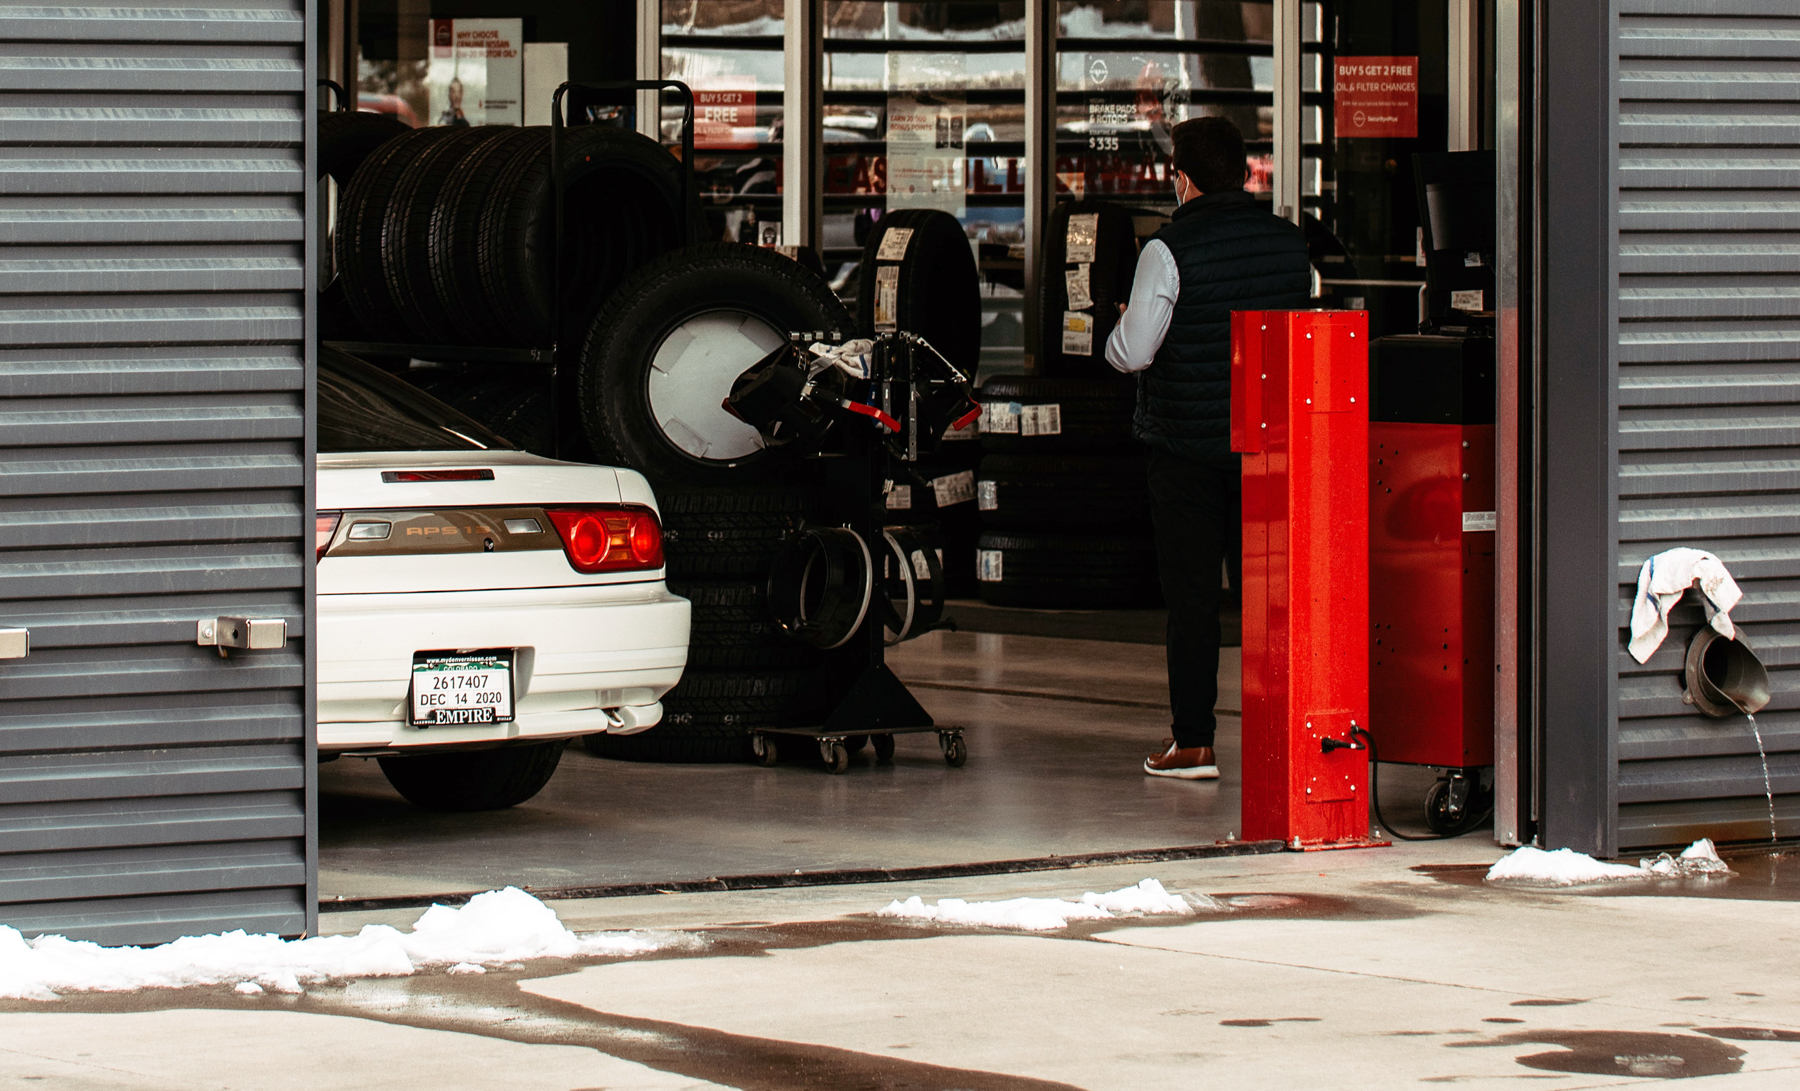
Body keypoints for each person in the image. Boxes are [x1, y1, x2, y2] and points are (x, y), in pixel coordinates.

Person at [1104, 116, 1311, 780]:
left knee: (1193, 601)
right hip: (1270, 450)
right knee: (1273, 599)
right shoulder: (1289, 246)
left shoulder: (1167, 251)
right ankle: (1292, 739)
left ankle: (1194, 743)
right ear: (1245, 172)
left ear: (1183, 177)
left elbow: (1135, 351)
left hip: (1187, 451)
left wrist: (1111, 333)